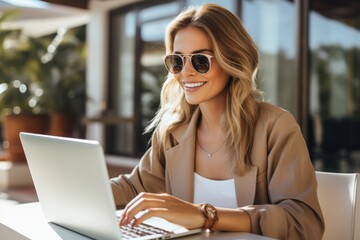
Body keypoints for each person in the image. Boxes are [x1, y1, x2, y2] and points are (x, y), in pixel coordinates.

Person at [111, 3, 324, 239]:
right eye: (177, 61)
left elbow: (303, 223)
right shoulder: (173, 132)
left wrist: (205, 216)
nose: (185, 73)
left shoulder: (275, 127)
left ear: (231, 61)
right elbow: (132, 187)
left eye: (200, 60)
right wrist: (70, 188)